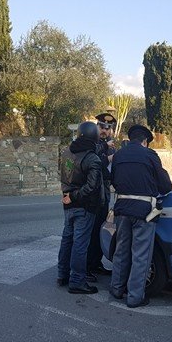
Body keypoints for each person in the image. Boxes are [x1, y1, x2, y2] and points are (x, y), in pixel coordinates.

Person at [109, 125, 172, 308]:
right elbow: (165, 186)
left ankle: (116, 289)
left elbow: (114, 181)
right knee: (141, 255)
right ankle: (135, 297)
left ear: (131, 139)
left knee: (121, 250)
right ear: (145, 141)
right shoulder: (150, 155)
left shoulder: (119, 155)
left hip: (122, 209)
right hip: (144, 212)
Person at [57, 121, 103, 294]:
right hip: (84, 206)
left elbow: (63, 177)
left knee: (67, 240)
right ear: (94, 137)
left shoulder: (67, 153)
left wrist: (67, 195)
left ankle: (62, 274)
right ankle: (77, 281)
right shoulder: (92, 158)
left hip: (67, 202)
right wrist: (74, 196)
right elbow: (92, 187)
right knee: (80, 244)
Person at [86, 112, 117, 278]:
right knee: (89, 232)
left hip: (104, 194)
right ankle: (86, 267)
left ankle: (96, 263)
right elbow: (94, 166)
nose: (105, 130)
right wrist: (108, 158)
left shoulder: (111, 146)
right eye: (102, 127)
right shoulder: (92, 143)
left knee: (99, 230)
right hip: (92, 194)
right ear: (97, 127)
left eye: (108, 128)